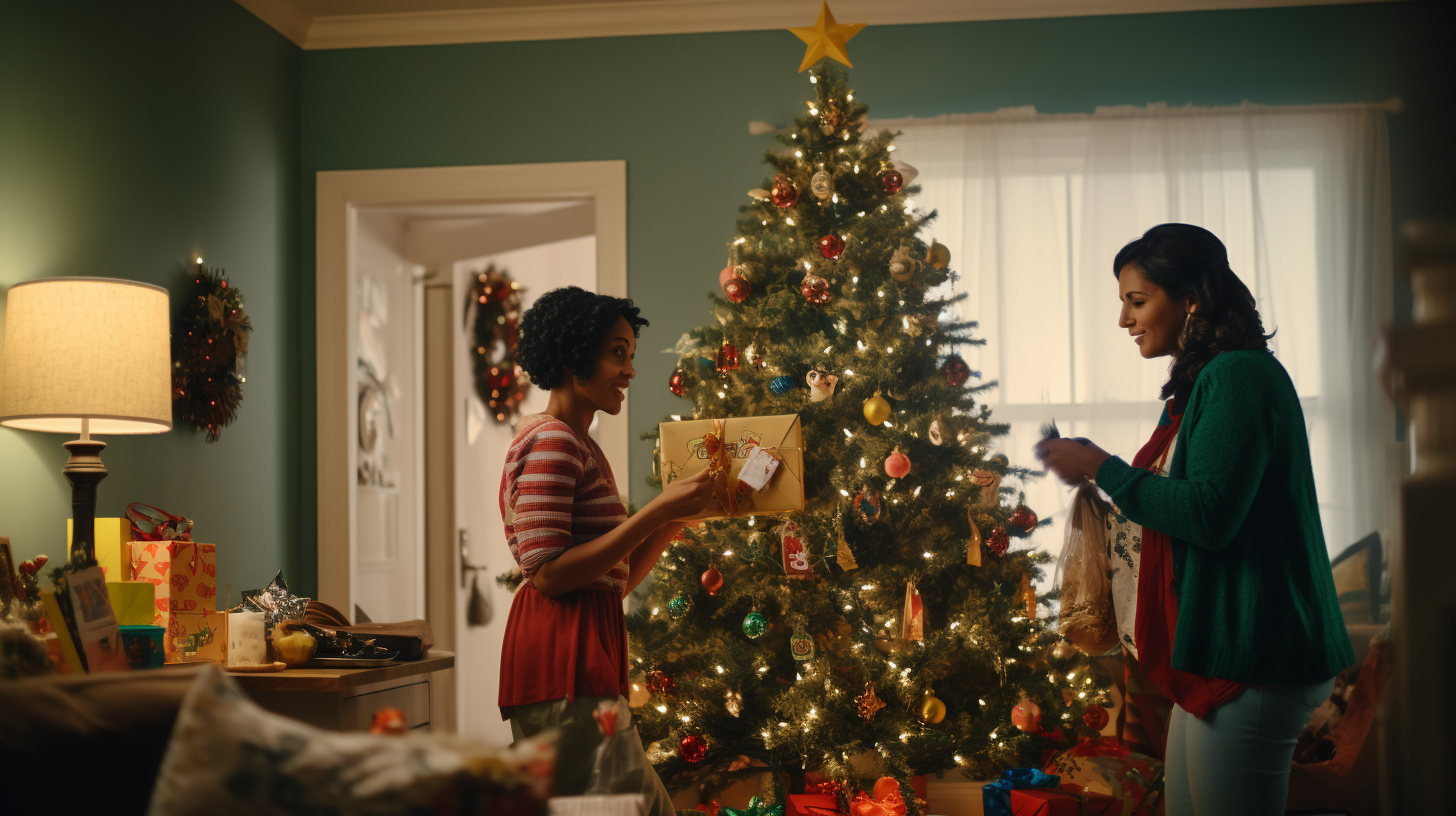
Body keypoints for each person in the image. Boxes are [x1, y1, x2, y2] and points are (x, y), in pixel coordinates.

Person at [1035, 224, 1354, 816]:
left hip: (1254, 658)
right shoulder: (1208, 383)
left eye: (1137, 301)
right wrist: (1100, 481)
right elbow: (1188, 509)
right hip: (1224, 657)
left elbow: (1209, 516)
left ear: (1191, 299)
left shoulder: (1238, 376)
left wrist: (1104, 466)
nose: (1126, 321)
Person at [498, 286, 715, 812]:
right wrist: (655, 512)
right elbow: (546, 574)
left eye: (630, 355)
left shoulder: (580, 442)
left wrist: (669, 523)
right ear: (576, 359)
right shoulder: (553, 441)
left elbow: (610, 580)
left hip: (582, 655)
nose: (630, 371)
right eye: (617, 352)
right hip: (561, 661)